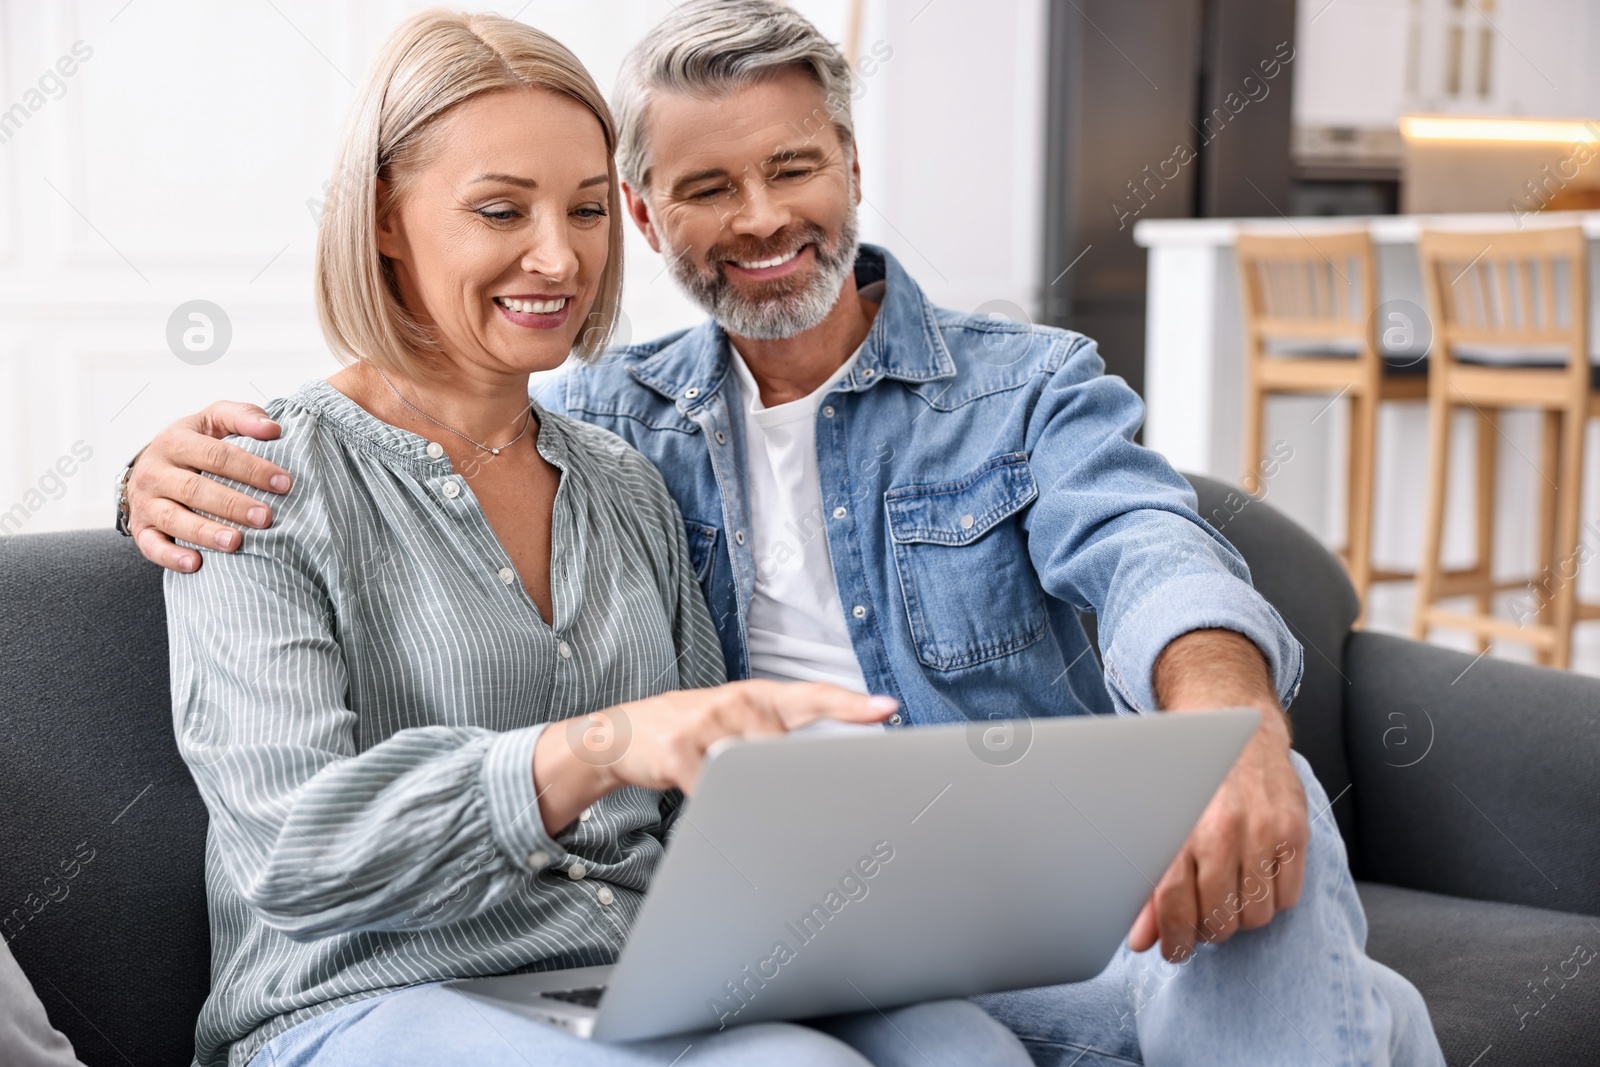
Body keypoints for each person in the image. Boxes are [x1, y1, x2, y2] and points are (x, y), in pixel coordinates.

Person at [126, 3, 1446, 1065]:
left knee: (1229, 874)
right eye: (704, 184)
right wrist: (150, 470)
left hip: (896, 921)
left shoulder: (978, 396)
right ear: (656, 215)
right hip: (489, 966)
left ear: (853, 170)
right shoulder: (566, 430)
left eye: (793, 167)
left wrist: (1237, 726)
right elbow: (298, 808)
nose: (759, 216)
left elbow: (1155, 549)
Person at [155, 11, 1032, 1067]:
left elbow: (699, 818)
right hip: (365, 994)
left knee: (961, 1046)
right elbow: (297, 859)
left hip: (627, 975)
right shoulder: (252, 483)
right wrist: (596, 746)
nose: (556, 255)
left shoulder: (623, 478)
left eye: (584, 209)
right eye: (499, 209)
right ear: (385, 218)